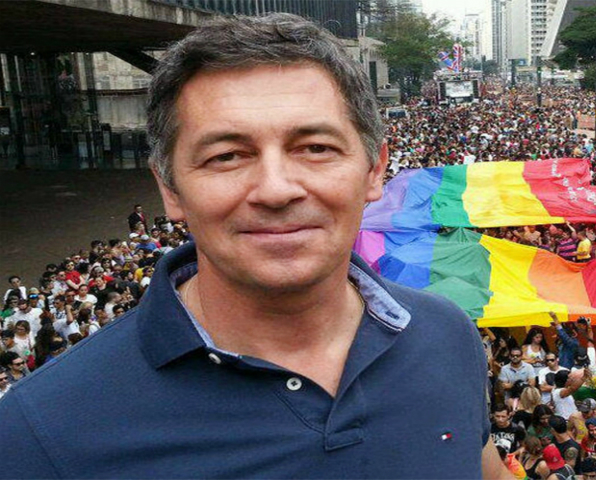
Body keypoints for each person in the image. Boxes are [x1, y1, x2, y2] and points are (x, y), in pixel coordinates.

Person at [0, 14, 508, 478]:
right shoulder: (38, 430)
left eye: (316, 148)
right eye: (226, 156)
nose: (276, 189)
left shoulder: (447, 336)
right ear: (170, 188)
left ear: (375, 169)